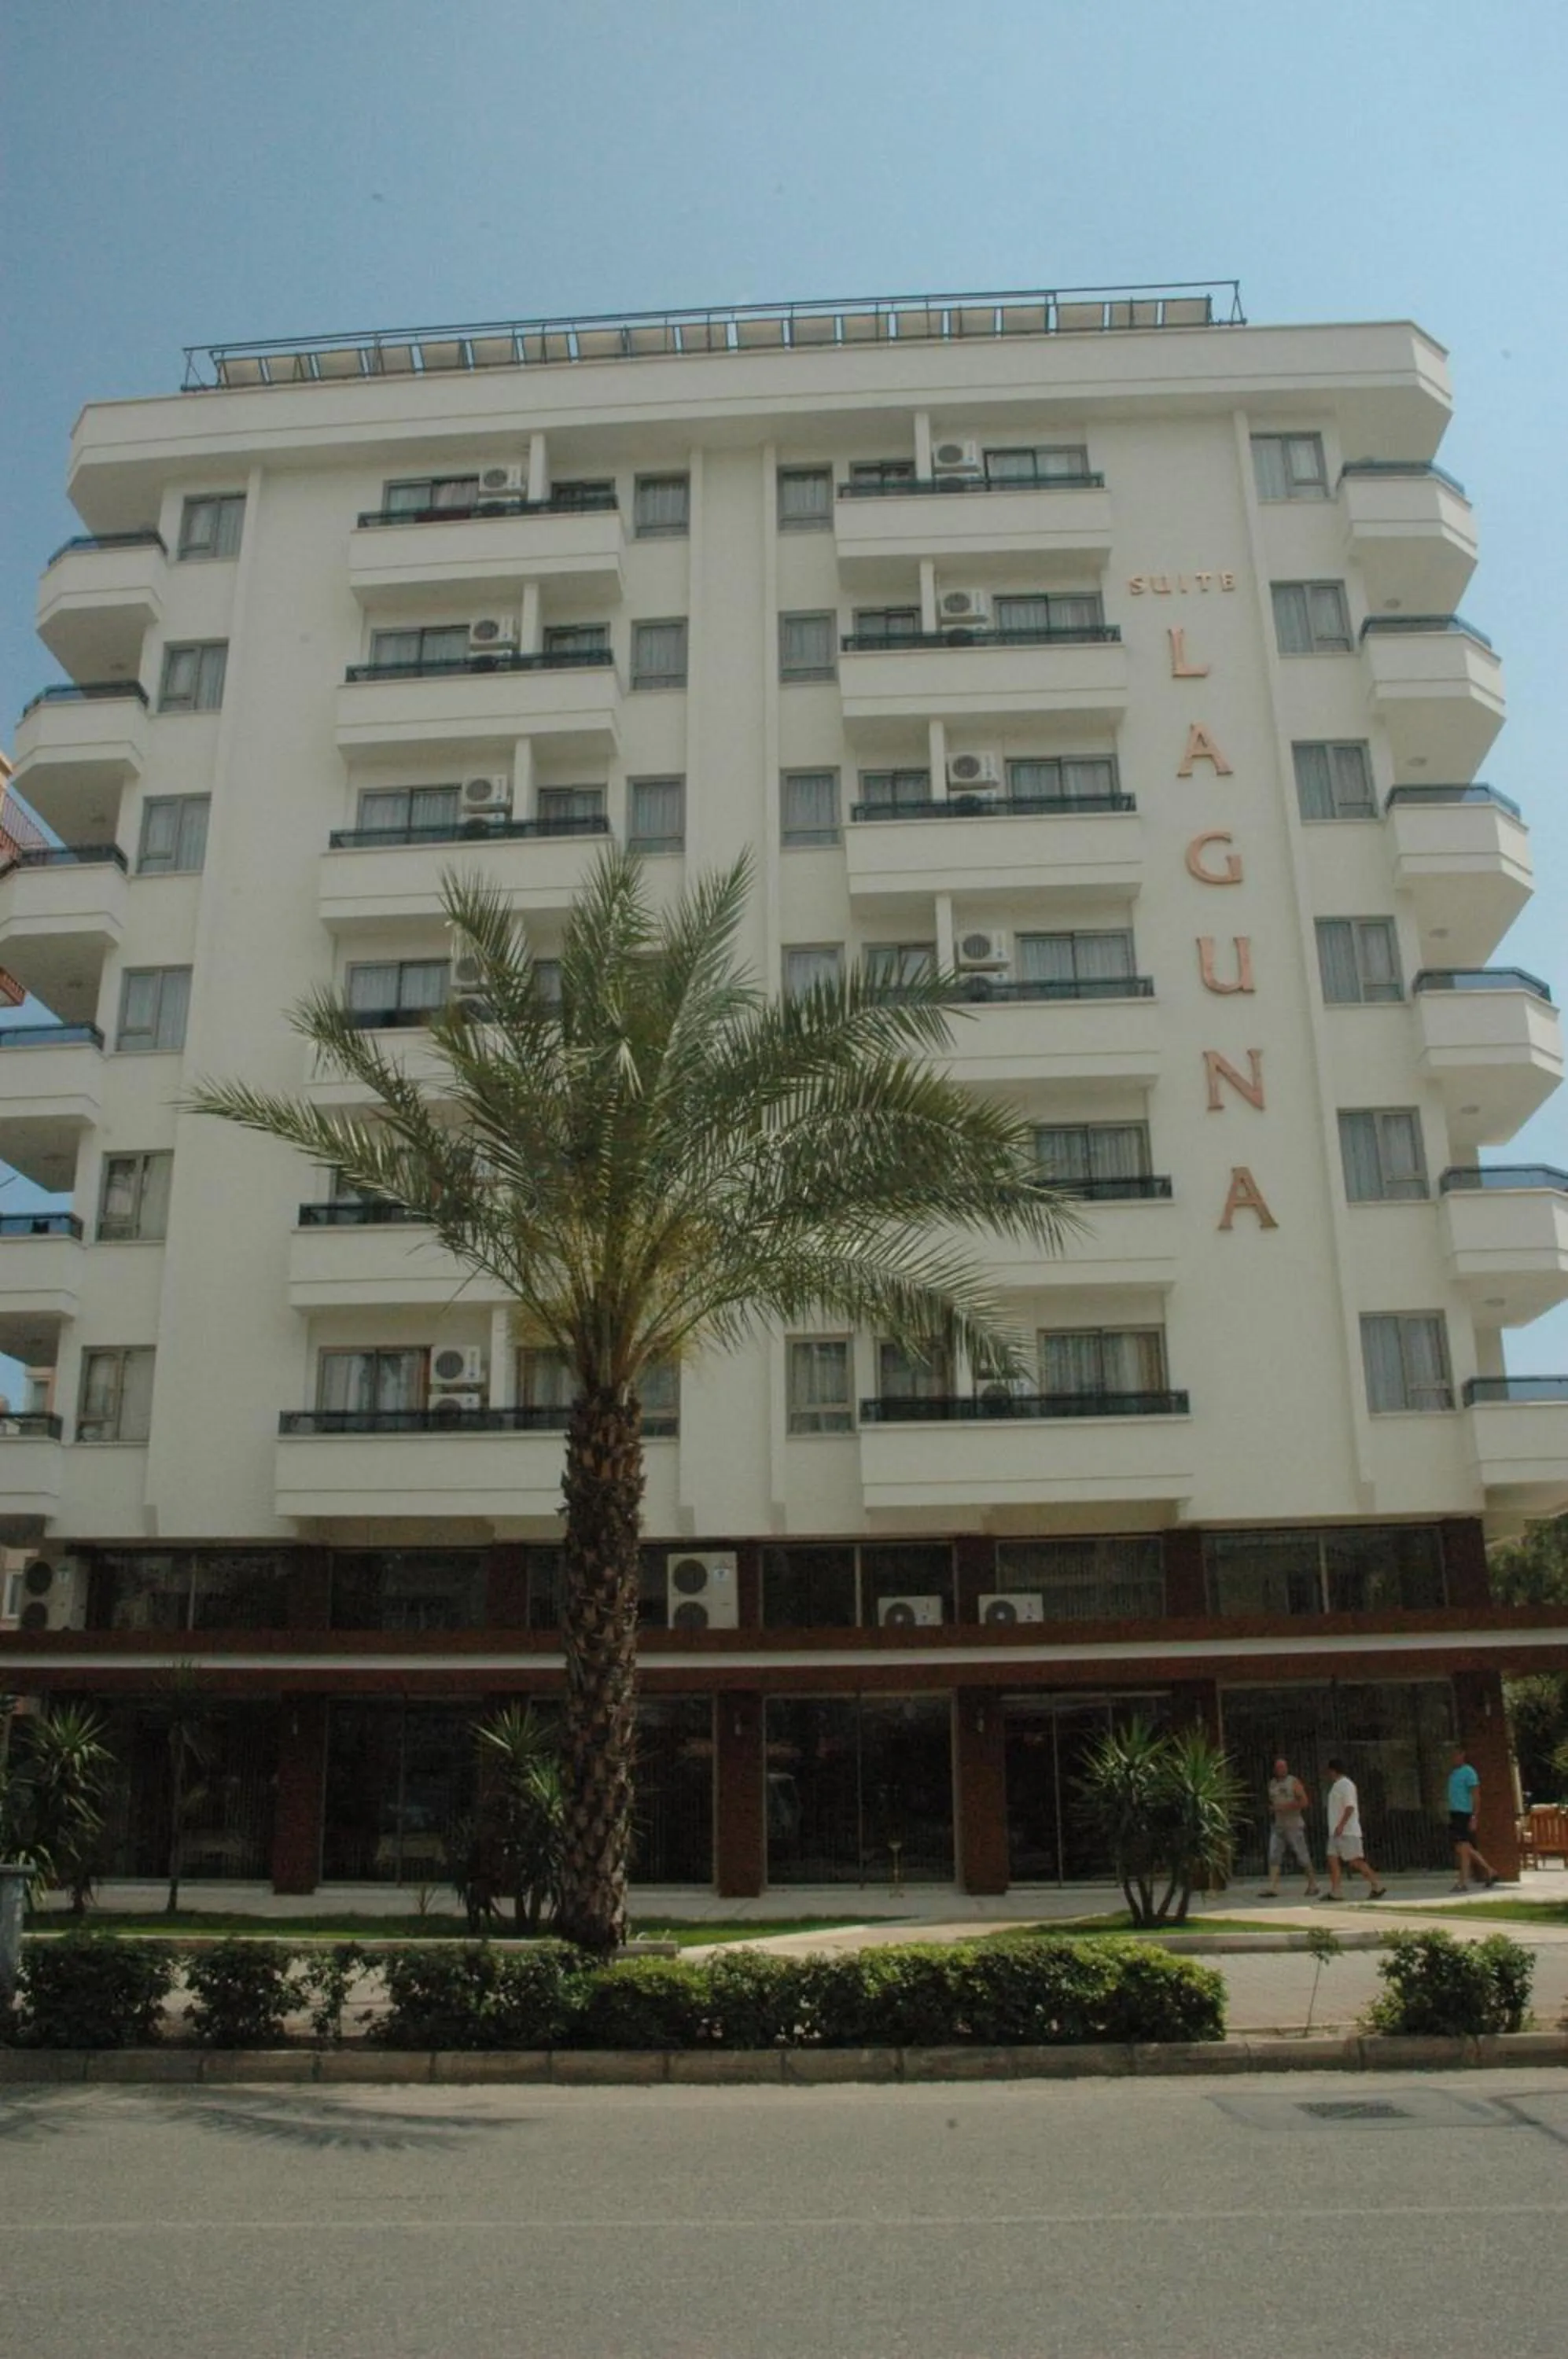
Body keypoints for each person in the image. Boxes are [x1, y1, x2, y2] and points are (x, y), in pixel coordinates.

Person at [1320, 1756, 1387, 1901]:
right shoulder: (1337, 1785)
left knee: (1355, 1861)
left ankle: (1377, 1885)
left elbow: (1350, 1807)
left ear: (1333, 1771)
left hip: (1347, 1831)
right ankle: (1336, 1891)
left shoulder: (1346, 1785)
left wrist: (1341, 1825)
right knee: (1332, 1859)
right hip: (1335, 1832)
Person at [1259, 1755, 1319, 1897]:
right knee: (1274, 1855)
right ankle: (1273, 1887)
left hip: (1293, 1824)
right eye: (1278, 1767)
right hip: (1279, 1825)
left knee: (1302, 1855)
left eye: (1283, 1767)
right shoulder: (1272, 1784)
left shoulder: (1294, 1782)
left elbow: (1304, 1802)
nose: (1281, 1770)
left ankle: (1313, 1884)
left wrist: (1285, 1807)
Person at [1445, 1744, 1500, 1892]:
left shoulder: (1469, 1772)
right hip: (1455, 1813)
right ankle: (1490, 1870)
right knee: (1464, 1848)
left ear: (1462, 1755)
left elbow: (1476, 1795)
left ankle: (1462, 1882)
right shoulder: (1454, 1774)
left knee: (1463, 1848)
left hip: (1464, 1813)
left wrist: (1475, 1816)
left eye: (1456, 1755)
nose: (1454, 1758)